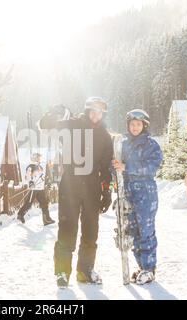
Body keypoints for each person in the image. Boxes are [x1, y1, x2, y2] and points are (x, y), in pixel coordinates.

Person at [39, 97, 113, 288]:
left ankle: (85, 270)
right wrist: (51, 114)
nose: (96, 115)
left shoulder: (105, 136)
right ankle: (62, 272)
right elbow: (44, 126)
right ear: (87, 110)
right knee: (67, 228)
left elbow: (106, 167)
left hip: (92, 187)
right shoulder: (71, 125)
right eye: (93, 111)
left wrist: (106, 191)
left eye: (100, 112)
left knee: (90, 231)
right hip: (70, 185)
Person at [112, 109, 163, 285]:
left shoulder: (151, 145)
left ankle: (149, 269)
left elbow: (152, 167)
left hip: (145, 192)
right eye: (132, 124)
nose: (135, 127)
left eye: (138, 124)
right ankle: (141, 267)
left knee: (145, 231)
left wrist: (126, 166)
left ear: (144, 126)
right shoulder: (122, 144)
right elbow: (118, 168)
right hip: (127, 191)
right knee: (131, 230)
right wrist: (115, 167)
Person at [17, 153, 55, 226]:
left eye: (40, 158)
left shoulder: (40, 167)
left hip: (40, 188)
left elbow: (42, 177)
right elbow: (27, 176)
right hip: (34, 188)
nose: (39, 159)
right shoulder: (31, 167)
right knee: (29, 203)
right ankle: (20, 214)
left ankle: (46, 219)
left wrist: (47, 182)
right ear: (34, 158)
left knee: (44, 203)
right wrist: (30, 182)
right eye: (38, 158)